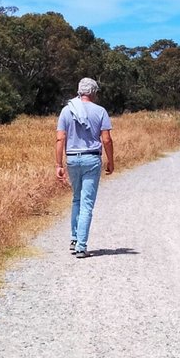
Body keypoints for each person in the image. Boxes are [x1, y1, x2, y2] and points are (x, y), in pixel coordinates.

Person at [55, 76, 113, 258]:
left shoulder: (66, 110)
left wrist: (58, 164)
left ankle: (74, 239)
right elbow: (106, 139)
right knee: (87, 203)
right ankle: (81, 246)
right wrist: (111, 161)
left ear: (80, 91)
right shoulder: (100, 111)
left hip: (72, 159)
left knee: (76, 199)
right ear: (93, 92)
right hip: (91, 159)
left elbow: (60, 139)